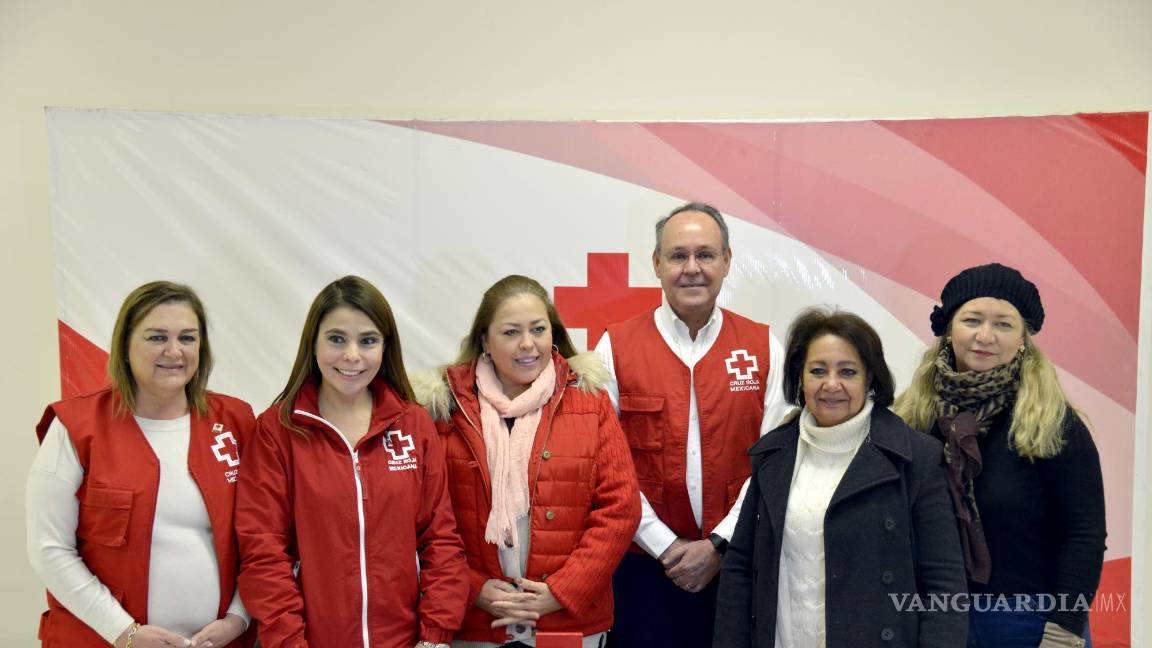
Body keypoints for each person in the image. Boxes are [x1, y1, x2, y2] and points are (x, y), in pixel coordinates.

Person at [594, 202, 789, 647]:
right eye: (678, 255)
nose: (692, 268)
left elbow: (775, 462)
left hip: (737, 564)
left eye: (705, 254)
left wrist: (718, 545)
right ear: (657, 264)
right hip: (643, 567)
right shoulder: (614, 347)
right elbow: (606, 466)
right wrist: (665, 545)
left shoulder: (763, 346)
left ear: (727, 261)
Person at [236, 275, 468, 648]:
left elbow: (440, 541)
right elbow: (263, 552)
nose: (352, 356)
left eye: (368, 340)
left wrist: (434, 638)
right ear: (312, 343)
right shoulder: (278, 430)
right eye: (336, 339)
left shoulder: (413, 424)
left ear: (385, 347)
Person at [713, 307, 967, 647]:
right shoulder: (772, 455)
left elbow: (944, 583)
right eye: (818, 370)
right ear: (800, 378)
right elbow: (741, 569)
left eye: (847, 372)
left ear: (870, 379)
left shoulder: (915, 457)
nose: (831, 385)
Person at [413, 274, 641, 648]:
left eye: (538, 329)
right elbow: (425, 518)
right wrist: (473, 588)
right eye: (510, 332)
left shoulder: (589, 401)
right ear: (484, 340)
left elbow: (620, 508)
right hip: (477, 623)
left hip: (567, 622)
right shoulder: (444, 408)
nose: (527, 344)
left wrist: (563, 591)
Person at [28, 281, 254, 648]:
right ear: (125, 346)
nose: (174, 351)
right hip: (102, 640)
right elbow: (49, 549)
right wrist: (126, 633)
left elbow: (266, 537)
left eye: (188, 338)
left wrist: (239, 617)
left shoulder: (236, 421)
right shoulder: (76, 427)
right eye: (156, 337)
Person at [894, 263, 1106, 648]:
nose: (985, 336)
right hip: (937, 622)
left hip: (1032, 625)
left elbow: (1085, 536)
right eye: (972, 320)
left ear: (1024, 337)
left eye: (1004, 324)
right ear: (948, 330)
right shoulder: (911, 419)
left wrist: (1063, 632)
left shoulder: (1052, 423)